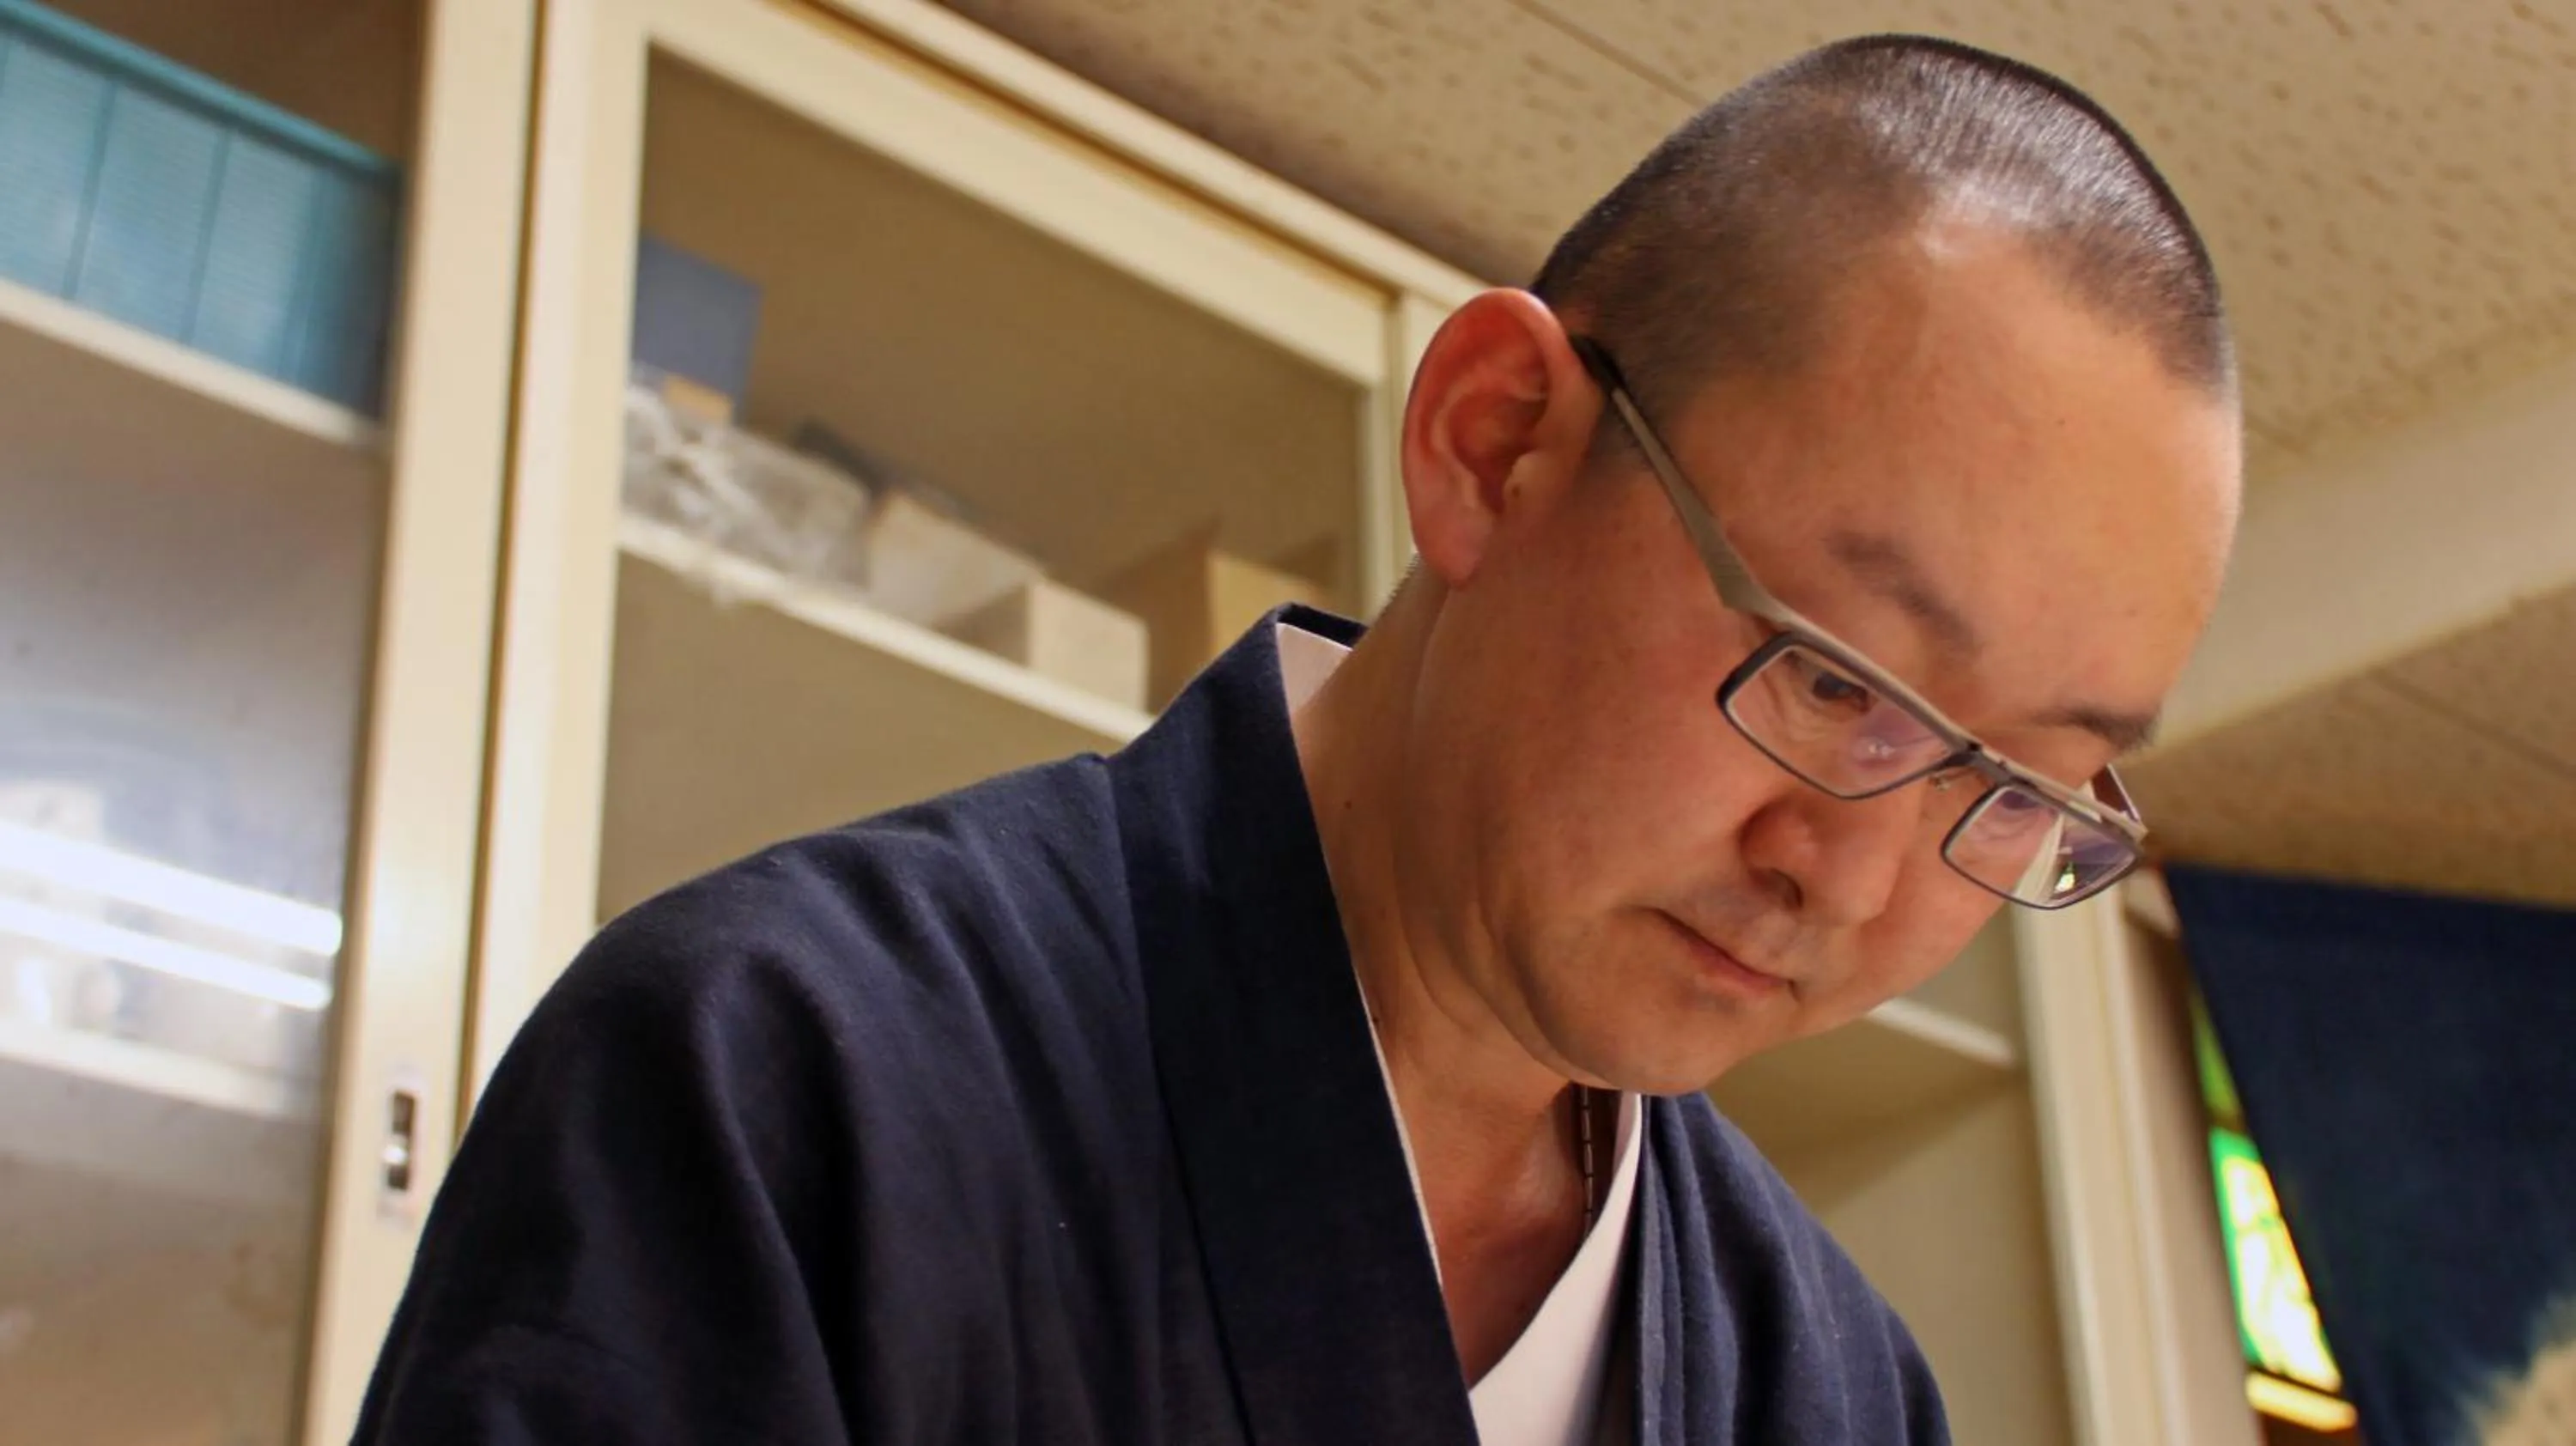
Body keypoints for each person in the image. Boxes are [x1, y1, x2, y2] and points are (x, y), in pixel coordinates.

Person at [355, 32, 2240, 1446]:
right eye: (1840, 677)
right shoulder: (788, 1080)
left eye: (2006, 788)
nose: (1850, 871)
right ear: (1497, 443)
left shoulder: (1818, 1381)